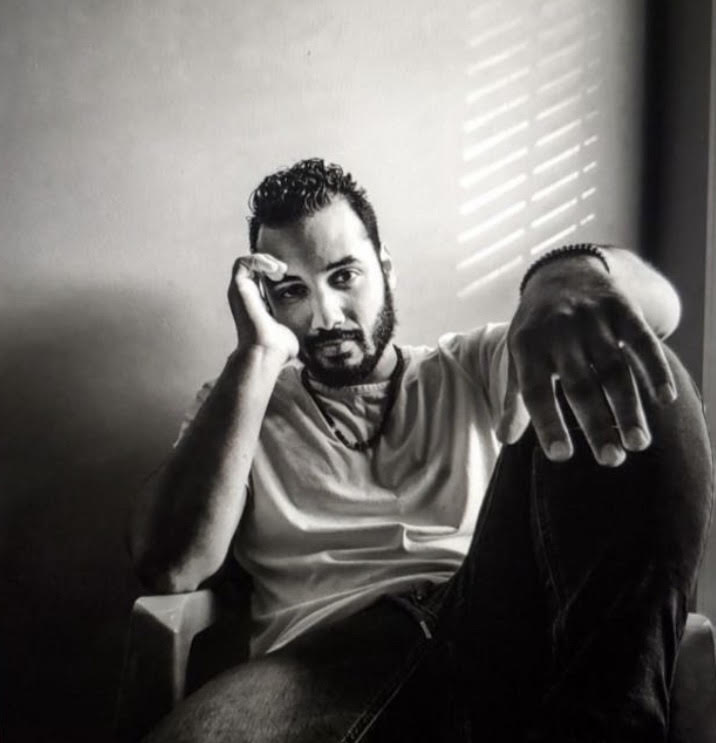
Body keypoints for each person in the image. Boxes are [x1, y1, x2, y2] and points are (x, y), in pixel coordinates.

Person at [130, 158, 713, 742]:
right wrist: (256, 355)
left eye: (343, 276)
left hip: (491, 625)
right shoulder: (240, 400)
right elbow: (173, 567)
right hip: (322, 663)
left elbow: (661, 312)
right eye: (292, 292)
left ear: (385, 269)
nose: (325, 316)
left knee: (618, 361)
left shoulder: (472, 364)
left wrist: (567, 274)